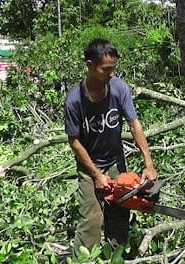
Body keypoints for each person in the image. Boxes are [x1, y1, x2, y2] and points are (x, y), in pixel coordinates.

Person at [64, 39, 157, 256]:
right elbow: (74, 142)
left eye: (113, 68)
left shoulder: (119, 89)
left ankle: (116, 258)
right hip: (89, 168)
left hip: (115, 161)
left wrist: (149, 164)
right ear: (89, 65)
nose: (111, 74)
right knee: (92, 222)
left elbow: (134, 125)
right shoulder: (74, 100)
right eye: (106, 69)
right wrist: (96, 175)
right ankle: (84, 260)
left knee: (119, 216)